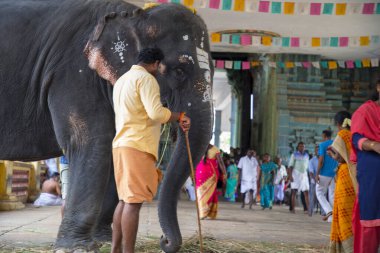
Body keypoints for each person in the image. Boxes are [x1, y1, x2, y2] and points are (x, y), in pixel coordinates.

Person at [111, 48, 191, 253]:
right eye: (160, 66)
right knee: (134, 202)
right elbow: (156, 113)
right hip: (137, 145)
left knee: (124, 200)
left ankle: (116, 250)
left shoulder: (122, 80)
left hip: (121, 145)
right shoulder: (146, 79)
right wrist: (178, 115)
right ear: (156, 63)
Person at [351, 81, 380, 253]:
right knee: (370, 220)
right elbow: (355, 138)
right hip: (372, 173)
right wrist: (372, 145)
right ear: (378, 87)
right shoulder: (365, 111)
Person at [328, 111, 356, 252]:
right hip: (355, 177)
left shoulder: (342, 135)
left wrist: (332, 154)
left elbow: (340, 158)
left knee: (343, 213)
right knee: (352, 213)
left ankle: (347, 248)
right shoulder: (357, 134)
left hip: (345, 175)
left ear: (338, 124)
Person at [195, 144, 226, 219]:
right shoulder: (215, 149)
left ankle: (202, 213)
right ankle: (207, 212)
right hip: (212, 174)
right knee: (210, 193)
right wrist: (224, 172)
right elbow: (220, 162)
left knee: (200, 192)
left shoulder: (199, 147)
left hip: (200, 173)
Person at [316, 130, 338, 222]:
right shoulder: (336, 144)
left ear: (324, 136)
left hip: (324, 173)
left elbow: (321, 160)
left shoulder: (322, 145)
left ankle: (329, 211)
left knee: (319, 192)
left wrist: (317, 173)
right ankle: (333, 217)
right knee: (332, 195)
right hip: (335, 173)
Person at [288, 142, 310, 213]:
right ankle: (293, 209)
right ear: (298, 147)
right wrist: (290, 176)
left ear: (305, 147)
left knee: (306, 192)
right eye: (300, 146)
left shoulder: (307, 155)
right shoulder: (294, 154)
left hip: (304, 175)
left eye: (303, 146)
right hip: (296, 174)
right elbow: (290, 166)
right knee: (294, 192)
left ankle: (308, 209)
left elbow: (307, 166)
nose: (302, 148)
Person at [308, 146, 319, 216]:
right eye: (316, 150)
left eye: (319, 150)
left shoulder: (323, 159)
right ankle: (310, 211)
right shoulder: (312, 160)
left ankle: (324, 212)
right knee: (312, 197)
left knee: (323, 197)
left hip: (322, 180)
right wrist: (315, 179)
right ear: (315, 151)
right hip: (314, 181)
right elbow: (311, 172)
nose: (318, 151)